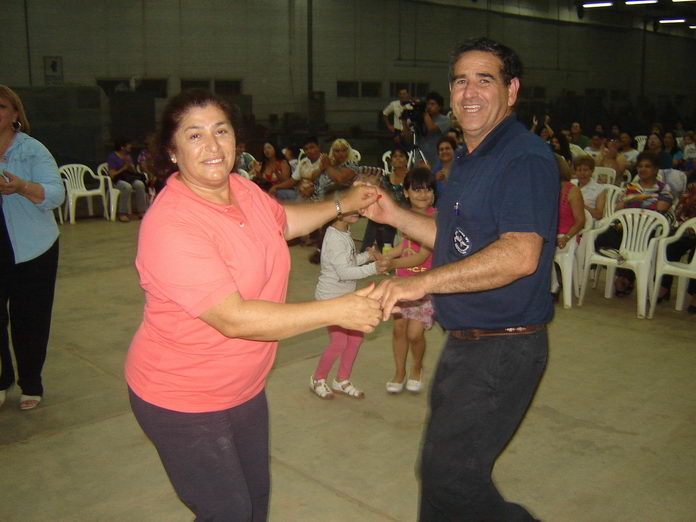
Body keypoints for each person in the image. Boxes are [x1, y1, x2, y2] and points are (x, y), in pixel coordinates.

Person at [124, 89, 381, 521]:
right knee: (229, 512)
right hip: (181, 397)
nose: (212, 145)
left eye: (220, 130)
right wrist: (338, 309)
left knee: (254, 503)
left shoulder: (240, 187)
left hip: (242, 388)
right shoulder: (171, 224)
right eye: (195, 135)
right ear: (171, 151)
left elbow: (282, 222)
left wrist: (342, 204)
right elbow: (234, 318)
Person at [363, 37, 558, 521]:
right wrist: (393, 213)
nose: (469, 92)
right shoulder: (468, 159)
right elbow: (453, 239)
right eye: (460, 81)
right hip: (467, 341)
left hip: (503, 346)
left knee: (453, 481)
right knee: (439, 475)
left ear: (511, 90)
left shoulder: (522, 157)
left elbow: (520, 255)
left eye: (484, 80)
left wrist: (420, 283)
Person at [0, 85, 64, 411]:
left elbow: (56, 194)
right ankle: (2, 380)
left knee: (30, 320)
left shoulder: (32, 150)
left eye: (1, 107)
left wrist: (22, 186)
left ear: (15, 113)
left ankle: (31, 382)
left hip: (33, 249)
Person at [310, 210, 382, 400]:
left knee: (356, 339)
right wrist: (374, 268)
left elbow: (348, 262)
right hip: (331, 299)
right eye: (351, 206)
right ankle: (317, 379)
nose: (357, 210)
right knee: (339, 342)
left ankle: (341, 380)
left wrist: (367, 257)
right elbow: (345, 273)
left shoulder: (343, 231)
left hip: (347, 297)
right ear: (336, 211)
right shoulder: (334, 238)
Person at [376, 168, 435, 395]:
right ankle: (399, 372)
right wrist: (384, 257)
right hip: (402, 283)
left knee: (414, 334)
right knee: (399, 329)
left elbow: (422, 256)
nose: (423, 194)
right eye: (417, 189)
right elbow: (404, 246)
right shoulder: (405, 217)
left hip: (424, 285)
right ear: (407, 193)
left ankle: (416, 367)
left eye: (428, 189)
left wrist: (392, 264)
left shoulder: (435, 218)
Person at [595, 151, 673, 296]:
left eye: (647, 166)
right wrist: (646, 201)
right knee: (601, 240)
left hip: (651, 230)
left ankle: (626, 277)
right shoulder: (630, 187)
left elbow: (662, 207)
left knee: (644, 245)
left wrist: (634, 200)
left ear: (656, 169)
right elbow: (619, 208)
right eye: (640, 166)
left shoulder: (664, 188)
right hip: (627, 228)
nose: (643, 169)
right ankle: (626, 273)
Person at [360, 146, 409, 253]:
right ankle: (365, 251)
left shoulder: (411, 177)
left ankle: (386, 249)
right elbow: (381, 196)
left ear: (406, 160)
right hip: (389, 209)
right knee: (374, 218)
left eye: (401, 156)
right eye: (395, 156)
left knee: (389, 216)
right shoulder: (386, 178)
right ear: (391, 161)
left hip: (406, 209)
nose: (398, 158)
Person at [107, 138, 149, 222]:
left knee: (140, 184)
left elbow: (133, 172)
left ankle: (141, 211)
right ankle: (122, 213)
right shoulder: (112, 157)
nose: (130, 146)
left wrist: (130, 165)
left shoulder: (127, 156)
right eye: (128, 145)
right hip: (118, 180)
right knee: (127, 187)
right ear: (122, 147)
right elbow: (112, 175)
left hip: (129, 177)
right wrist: (123, 168)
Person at [404, 92, 450, 168]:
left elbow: (431, 127)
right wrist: (404, 121)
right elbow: (408, 138)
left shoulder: (445, 120)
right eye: (428, 104)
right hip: (420, 158)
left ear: (440, 107)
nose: (429, 107)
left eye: (432, 104)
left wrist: (423, 111)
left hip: (436, 159)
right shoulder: (420, 120)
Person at [572, 155, 606, 220]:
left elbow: (599, 214)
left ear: (592, 171)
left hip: (588, 221)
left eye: (585, 170)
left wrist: (581, 205)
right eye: (579, 170)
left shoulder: (599, 189)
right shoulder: (571, 184)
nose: (582, 173)